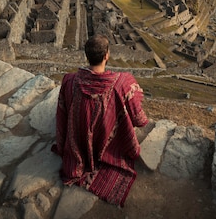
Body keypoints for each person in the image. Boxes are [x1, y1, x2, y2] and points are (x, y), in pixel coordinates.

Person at [52, 34, 149, 206]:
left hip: (78, 141)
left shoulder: (69, 81)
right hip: (106, 141)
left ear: (86, 56)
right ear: (106, 56)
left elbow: (62, 112)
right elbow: (138, 118)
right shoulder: (122, 82)